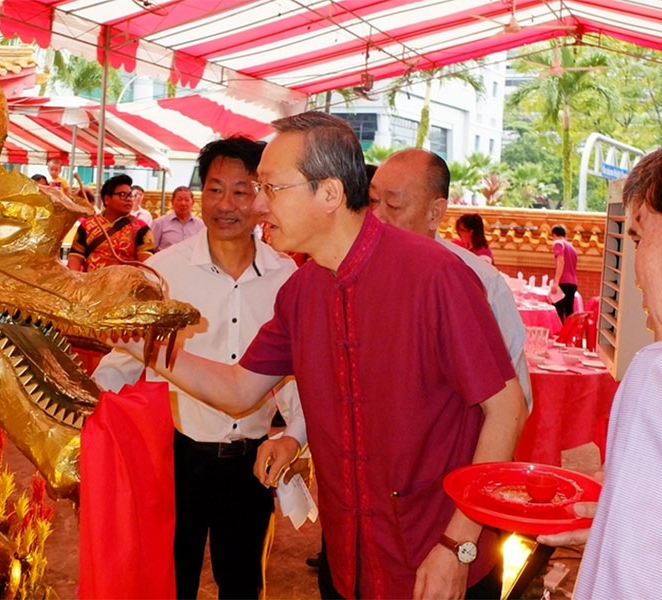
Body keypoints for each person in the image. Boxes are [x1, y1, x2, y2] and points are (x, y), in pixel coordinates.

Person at [118, 112, 526, 599]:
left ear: (329, 193)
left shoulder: (435, 275)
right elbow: (238, 389)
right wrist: (135, 340)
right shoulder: (301, 291)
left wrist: (457, 544)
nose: (259, 206)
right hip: (349, 557)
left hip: (434, 559)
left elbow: (507, 407)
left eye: (272, 188)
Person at [94, 137, 305, 599]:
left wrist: (294, 435)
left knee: (243, 584)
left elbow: (296, 376)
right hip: (174, 460)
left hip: (251, 464)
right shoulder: (162, 274)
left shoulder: (286, 277)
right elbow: (121, 363)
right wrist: (87, 426)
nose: (225, 205)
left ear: (263, 197)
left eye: (241, 191)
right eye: (214, 189)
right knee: (170, 582)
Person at [536, 148, 662, 598]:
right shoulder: (649, 370)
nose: (636, 272)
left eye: (639, 238)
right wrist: (619, 527)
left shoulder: (652, 376)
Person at [370, 148, 533, 412]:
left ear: (435, 213)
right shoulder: (355, 271)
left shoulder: (480, 281)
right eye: (373, 201)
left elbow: (513, 403)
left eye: (393, 205)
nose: (376, 216)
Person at [67, 174, 154, 271]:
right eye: (122, 195)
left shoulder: (141, 228)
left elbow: (146, 266)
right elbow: (75, 257)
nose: (129, 199)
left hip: (125, 280)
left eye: (130, 195)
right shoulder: (87, 225)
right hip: (91, 279)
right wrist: (74, 277)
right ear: (107, 199)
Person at [151, 186, 204, 250]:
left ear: (192, 202)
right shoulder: (159, 223)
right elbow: (150, 250)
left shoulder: (200, 225)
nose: (183, 203)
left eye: (187, 200)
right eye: (179, 200)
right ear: (172, 201)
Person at [550, 224, 578, 322]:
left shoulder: (558, 243)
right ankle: (570, 331)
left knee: (558, 311)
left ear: (554, 235)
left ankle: (560, 331)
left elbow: (560, 262)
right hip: (573, 282)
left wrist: (556, 282)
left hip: (563, 281)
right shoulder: (572, 248)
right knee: (569, 311)